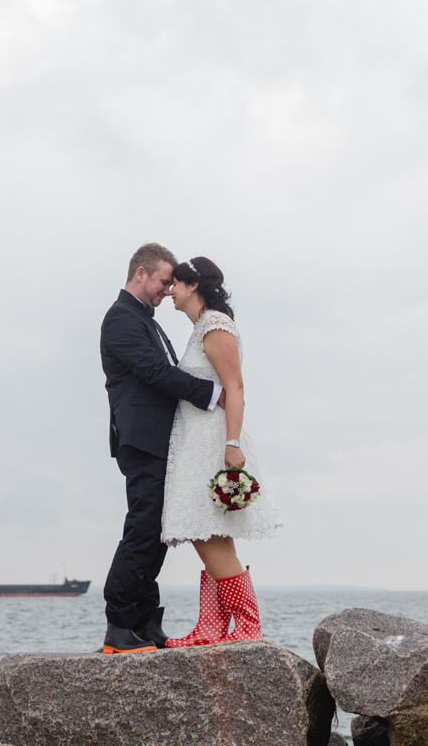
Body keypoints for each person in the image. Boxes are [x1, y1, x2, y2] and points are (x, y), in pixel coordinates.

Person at [99, 243, 227, 653]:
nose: (167, 290)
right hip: (141, 439)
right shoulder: (120, 319)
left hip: (158, 440)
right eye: (162, 281)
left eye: (172, 284)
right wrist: (209, 393)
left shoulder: (144, 320)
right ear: (141, 273)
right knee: (142, 529)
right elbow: (155, 373)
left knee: (155, 531)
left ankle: (144, 620)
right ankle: (119, 624)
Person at [161, 256, 282, 647]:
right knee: (212, 531)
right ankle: (212, 626)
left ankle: (247, 624)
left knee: (203, 532)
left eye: (174, 284)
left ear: (192, 285)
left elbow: (236, 388)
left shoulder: (215, 325)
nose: (169, 292)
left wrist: (231, 444)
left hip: (214, 441)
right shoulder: (202, 328)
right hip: (197, 440)